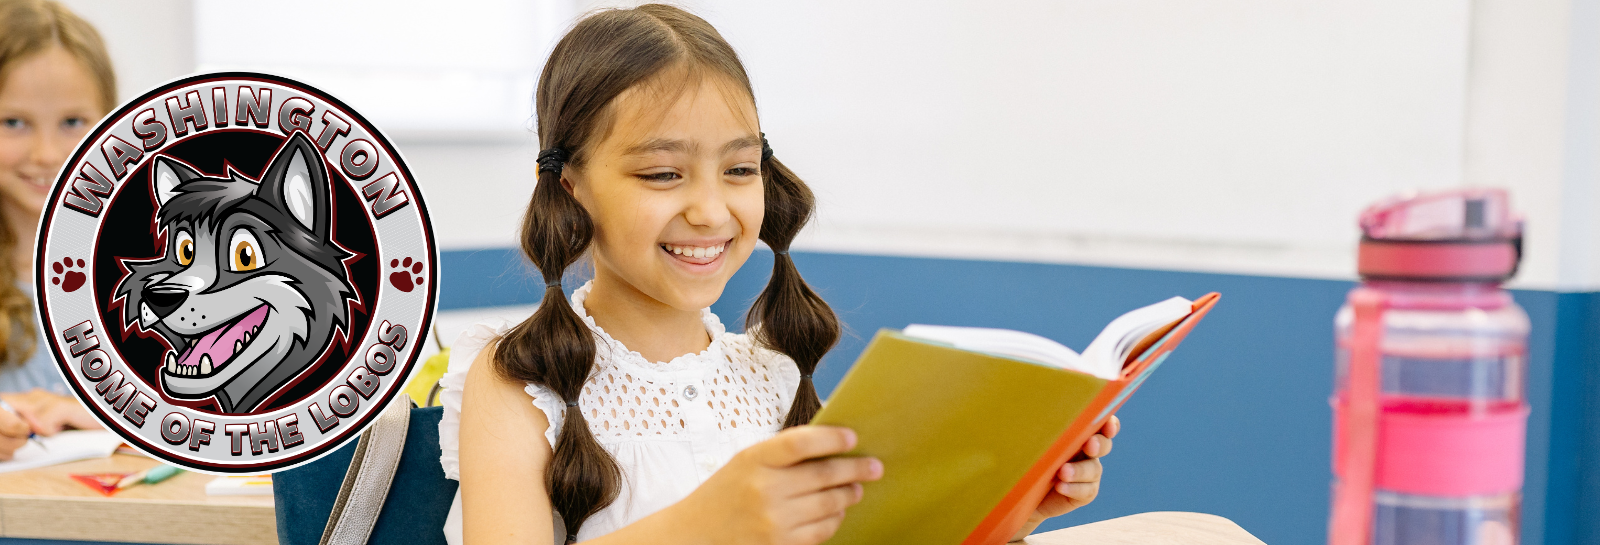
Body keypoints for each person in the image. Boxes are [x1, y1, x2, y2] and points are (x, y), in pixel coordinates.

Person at [437, 5, 1119, 544]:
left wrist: (1014, 505)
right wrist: (708, 523)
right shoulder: (516, 382)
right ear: (570, 186)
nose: (711, 210)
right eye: (664, 174)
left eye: (739, 169)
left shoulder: (771, 374)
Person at [0, 0, 113, 460]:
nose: (47, 154)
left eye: (71, 122)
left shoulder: (160, 254)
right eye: (13, 123)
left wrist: (102, 414)